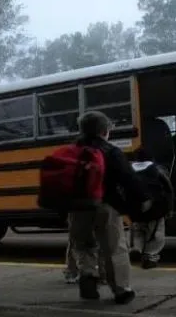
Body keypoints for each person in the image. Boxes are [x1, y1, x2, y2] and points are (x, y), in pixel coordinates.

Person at [68, 110, 151, 304]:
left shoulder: (70, 151)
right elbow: (128, 178)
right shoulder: (111, 151)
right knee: (114, 248)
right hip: (106, 205)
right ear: (104, 131)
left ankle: (88, 274)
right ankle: (121, 290)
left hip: (78, 208)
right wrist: (142, 199)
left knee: (83, 245)